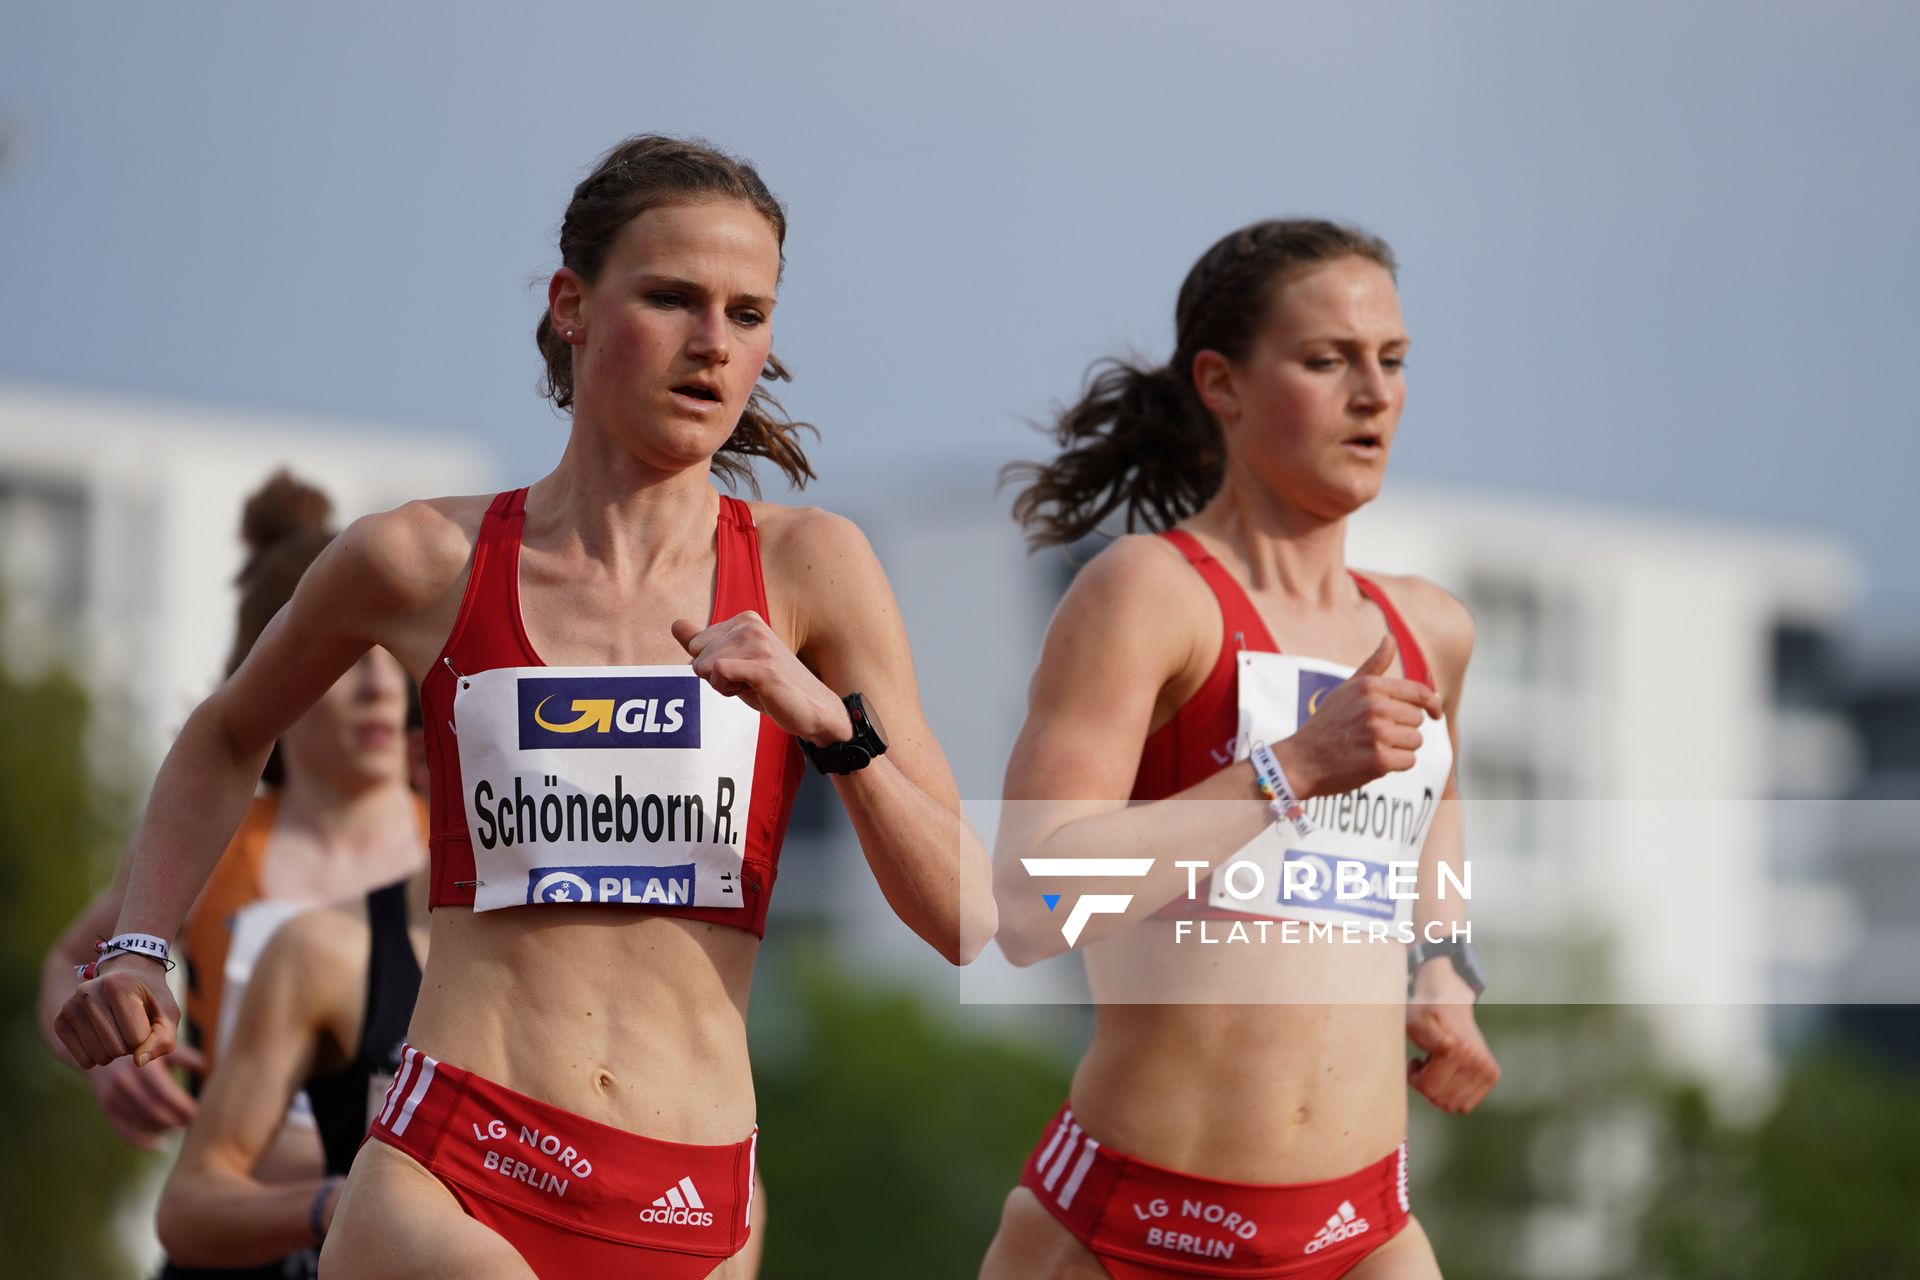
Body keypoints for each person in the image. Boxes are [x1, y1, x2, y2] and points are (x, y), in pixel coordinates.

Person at [55, 133, 996, 1280]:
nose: (713, 344)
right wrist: (140, 945)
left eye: (748, 313)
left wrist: (827, 727)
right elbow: (226, 731)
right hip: (458, 1165)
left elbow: (966, 913)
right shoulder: (423, 557)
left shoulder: (813, 570)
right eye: (672, 298)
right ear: (572, 306)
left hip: (692, 1198)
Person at [982, 220, 1499, 1278]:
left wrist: (1443, 964)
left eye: (1392, 361)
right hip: (1128, 1228)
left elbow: (1434, 818)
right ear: (1220, 381)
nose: (1374, 394)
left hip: (1363, 1234)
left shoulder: (1430, 629)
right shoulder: (1148, 593)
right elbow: (1032, 907)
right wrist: (1292, 769)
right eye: (1327, 361)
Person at [36, 471, 423, 1279]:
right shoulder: (211, 841)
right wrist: (104, 1054)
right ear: (278, 672)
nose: (382, 687)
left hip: (393, 1247)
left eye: (393, 661)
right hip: (228, 1245)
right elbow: (72, 963)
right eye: (353, 663)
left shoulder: (454, 843)